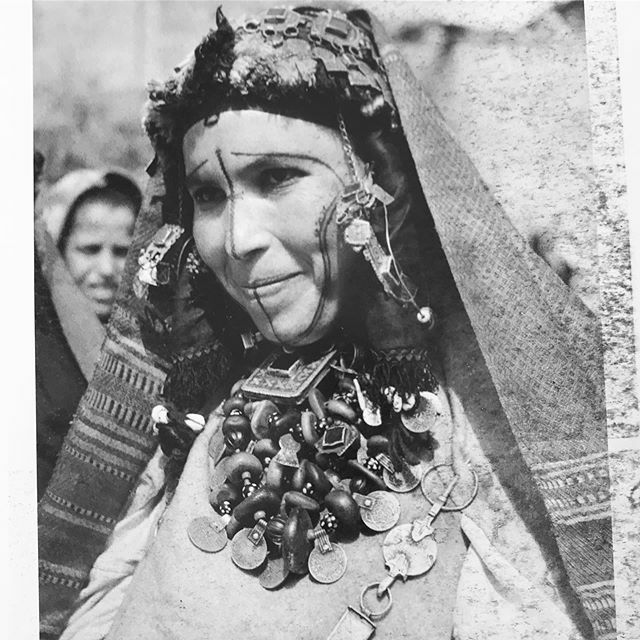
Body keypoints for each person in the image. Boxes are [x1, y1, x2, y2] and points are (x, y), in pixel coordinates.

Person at [39, 6, 615, 640]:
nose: (237, 239)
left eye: (278, 177)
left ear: (382, 184)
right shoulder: (188, 425)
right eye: (208, 196)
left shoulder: (485, 432)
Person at [35, 169, 141, 497]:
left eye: (123, 251)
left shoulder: (149, 344)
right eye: (90, 249)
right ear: (56, 248)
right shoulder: (35, 348)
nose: (108, 270)